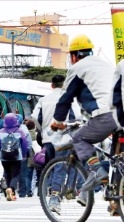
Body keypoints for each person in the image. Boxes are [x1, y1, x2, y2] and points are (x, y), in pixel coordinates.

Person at [50, 35, 118, 204]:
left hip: (106, 116)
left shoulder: (77, 68)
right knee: (116, 159)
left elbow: (66, 98)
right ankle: (116, 200)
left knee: (79, 138)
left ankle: (98, 171)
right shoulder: (106, 65)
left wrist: (57, 121)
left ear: (74, 56)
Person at [32, 74, 82, 212]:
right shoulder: (70, 99)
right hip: (63, 139)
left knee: (50, 167)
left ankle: (46, 191)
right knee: (60, 168)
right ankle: (55, 198)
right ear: (64, 85)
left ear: (52, 85)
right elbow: (77, 117)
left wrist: (42, 130)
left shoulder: (43, 100)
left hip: (47, 139)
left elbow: (35, 117)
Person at [0, 113, 28, 201]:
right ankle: (11, 189)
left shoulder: (1, 132)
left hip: (4, 156)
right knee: (15, 175)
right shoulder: (19, 131)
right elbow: (25, 144)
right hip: (16, 156)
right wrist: (25, 154)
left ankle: (11, 194)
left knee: (7, 174)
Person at [16, 114, 34, 198]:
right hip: (22, 154)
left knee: (11, 172)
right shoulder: (25, 130)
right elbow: (29, 144)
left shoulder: (9, 128)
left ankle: (11, 190)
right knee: (22, 173)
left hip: (10, 153)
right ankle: (22, 192)